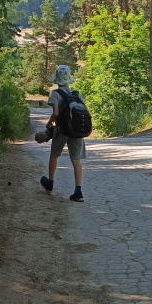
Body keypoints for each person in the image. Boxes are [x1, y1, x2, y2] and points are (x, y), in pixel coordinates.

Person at [40, 65, 86, 202]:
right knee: (76, 160)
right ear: (69, 79)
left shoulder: (55, 93)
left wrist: (49, 124)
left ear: (56, 79)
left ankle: (50, 184)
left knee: (54, 155)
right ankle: (78, 192)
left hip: (62, 130)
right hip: (76, 130)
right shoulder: (77, 94)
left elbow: (55, 113)